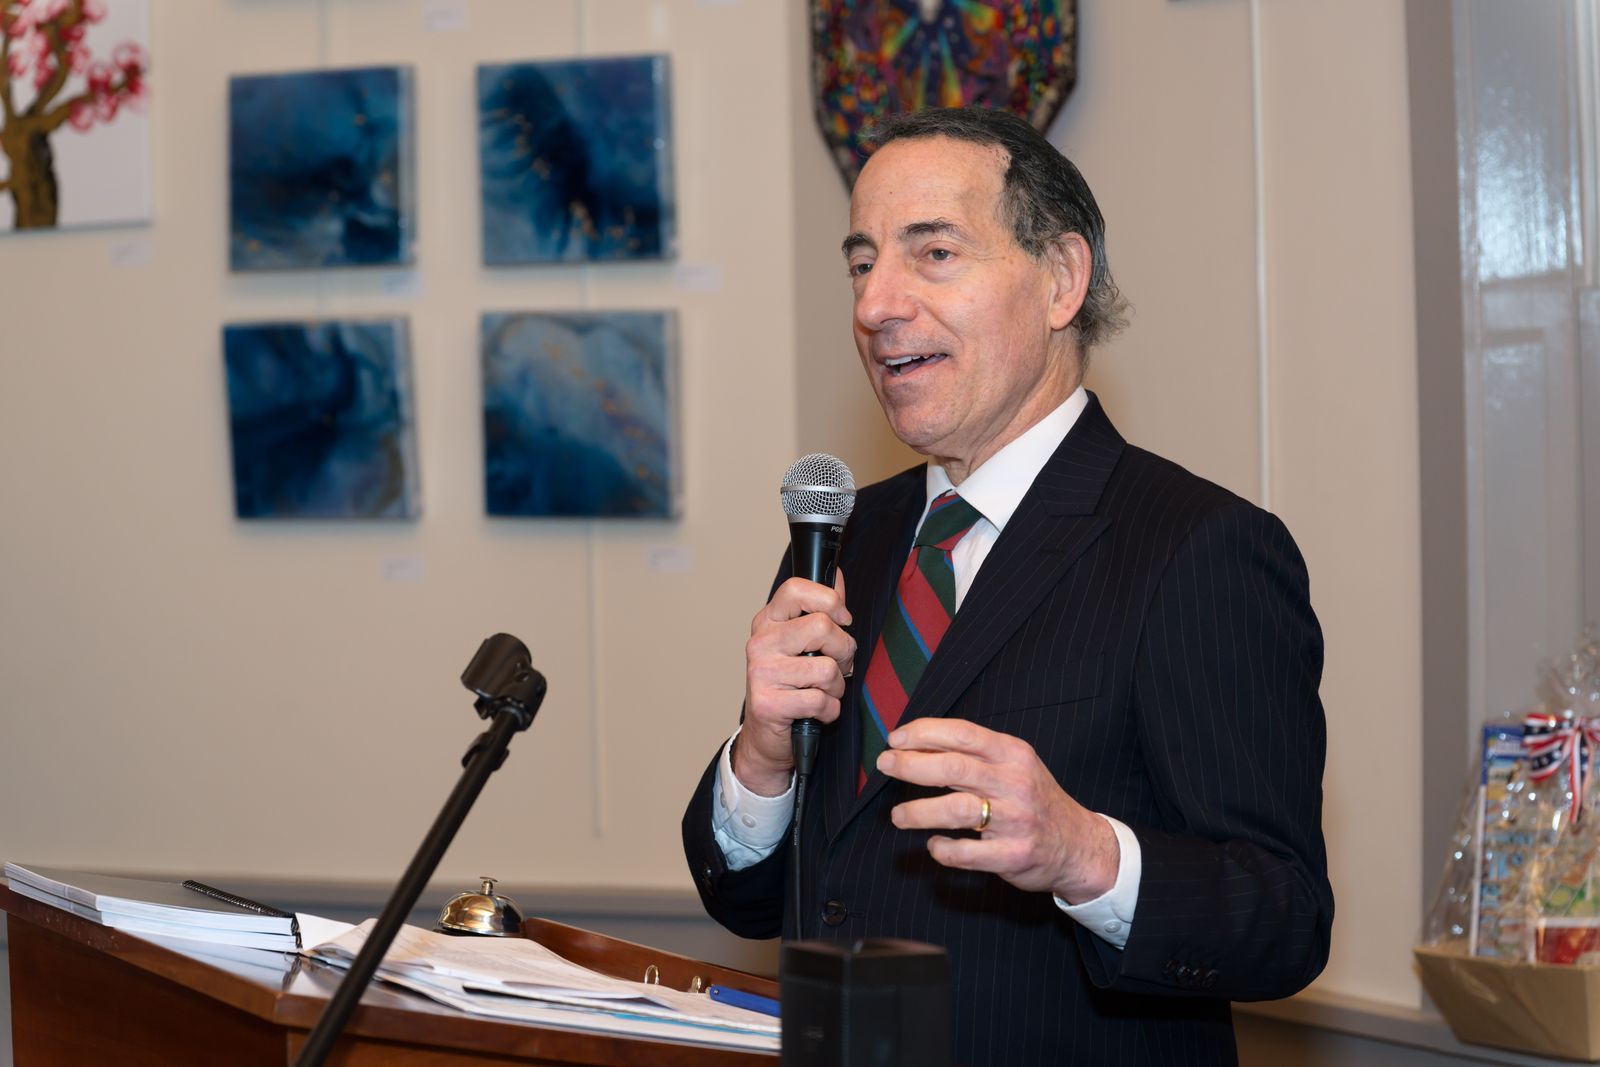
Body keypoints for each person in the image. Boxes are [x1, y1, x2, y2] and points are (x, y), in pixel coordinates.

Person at [682, 106, 1333, 1066]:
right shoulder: (845, 538)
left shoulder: (1199, 547)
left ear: (1061, 278)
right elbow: (754, 897)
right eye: (862, 263)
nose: (875, 305)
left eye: (934, 253)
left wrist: (1083, 853)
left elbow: (1283, 918)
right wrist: (763, 757)